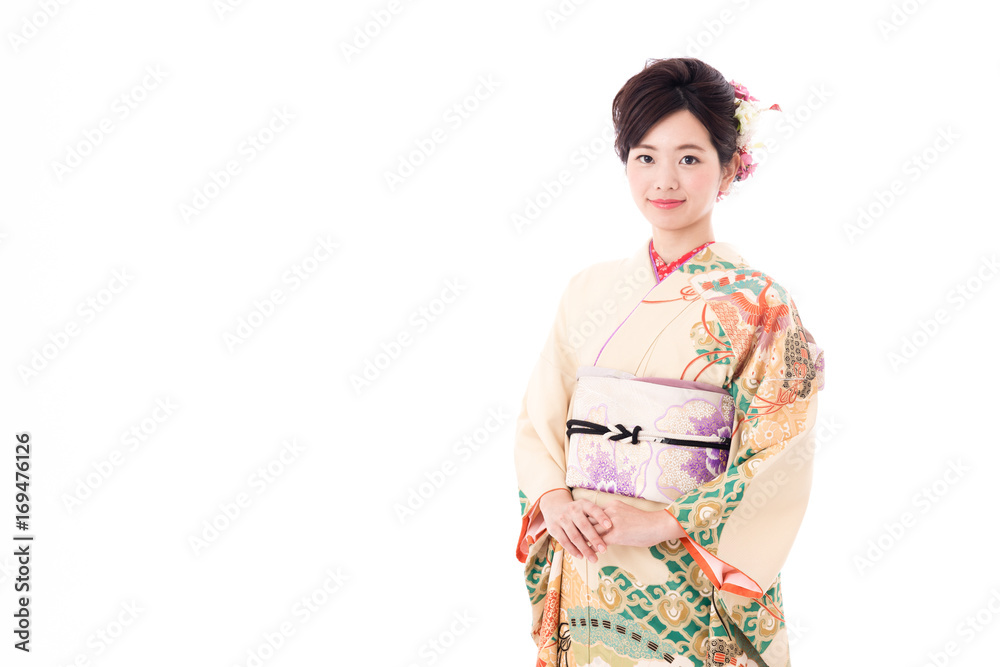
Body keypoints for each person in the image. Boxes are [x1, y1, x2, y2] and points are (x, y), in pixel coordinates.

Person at [513, 57, 826, 667]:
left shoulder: (761, 305)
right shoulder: (587, 289)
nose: (664, 179)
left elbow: (781, 449)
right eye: (645, 156)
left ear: (730, 167)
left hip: (687, 564)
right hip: (588, 558)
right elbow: (539, 420)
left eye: (689, 157)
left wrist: (662, 524)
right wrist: (554, 502)